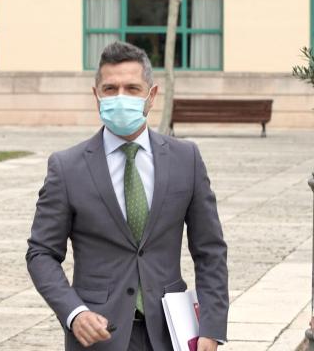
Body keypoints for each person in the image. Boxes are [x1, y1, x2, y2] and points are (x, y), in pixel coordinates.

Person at [26, 41, 228, 351]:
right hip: (97, 335)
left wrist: (211, 328)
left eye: (132, 88)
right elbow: (41, 253)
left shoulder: (186, 159)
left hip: (170, 332)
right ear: (97, 96)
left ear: (152, 95)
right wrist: (74, 313)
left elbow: (210, 250)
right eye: (110, 89)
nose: (121, 97)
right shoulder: (66, 167)